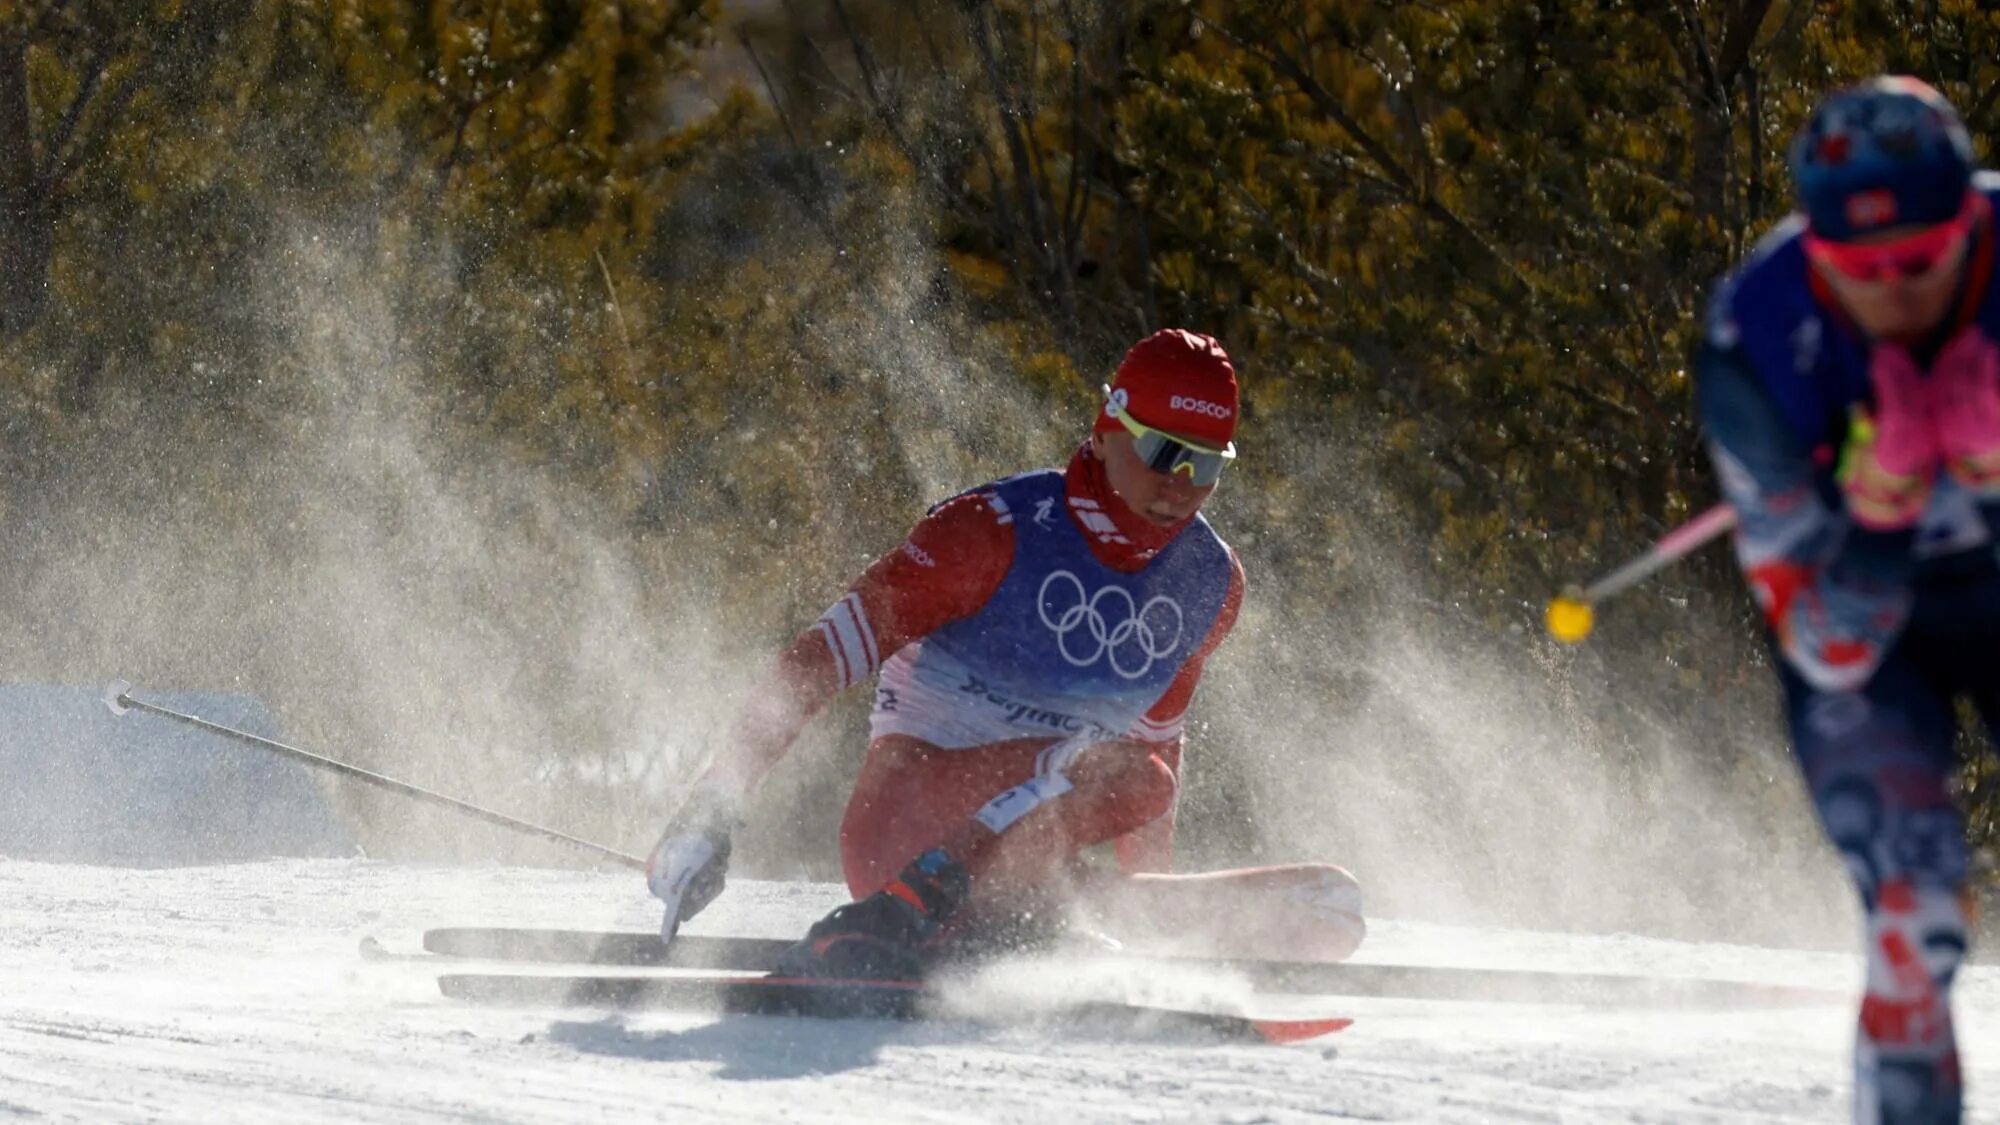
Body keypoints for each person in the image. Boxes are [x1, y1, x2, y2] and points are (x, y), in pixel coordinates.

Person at [643, 328, 1364, 981]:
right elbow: (820, 658)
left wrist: (1150, 922)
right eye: (1164, 452)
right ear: (1109, 427)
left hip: (1025, 862)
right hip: (903, 829)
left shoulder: (1210, 581)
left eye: (1207, 464)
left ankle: (1017, 925)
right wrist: (711, 805)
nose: (1182, 486)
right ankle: (915, 903)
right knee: (1139, 777)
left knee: (1331, 905)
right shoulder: (991, 533)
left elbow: (1156, 743)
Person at [1696, 76, 2000, 1125]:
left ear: (1968, 222)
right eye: (1857, 271)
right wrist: (1875, 524)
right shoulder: (1753, 339)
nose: (1893, 293)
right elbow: (1819, 644)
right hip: (1875, 636)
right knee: (1912, 910)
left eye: (1918, 260)